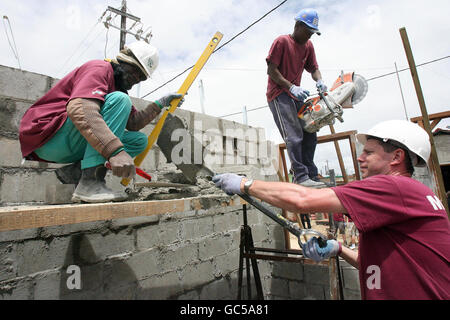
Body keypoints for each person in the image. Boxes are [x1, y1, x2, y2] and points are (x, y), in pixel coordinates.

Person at [212, 120, 450, 299]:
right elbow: (375, 265)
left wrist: (246, 184)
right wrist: (338, 249)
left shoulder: (394, 187)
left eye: (369, 152)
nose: (360, 158)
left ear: (397, 156)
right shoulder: (411, 194)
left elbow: (303, 199)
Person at [19, 41, 183, 203]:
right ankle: (91, 182)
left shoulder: (117, 87)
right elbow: (80, 110)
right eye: (135, 72)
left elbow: (133, 123)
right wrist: (115, 151)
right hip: (48, 135)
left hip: (69, 141)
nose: (136, 80)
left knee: (139, 141)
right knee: (121, 100)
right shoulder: (99, 68)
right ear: (124, 60)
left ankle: (76, 173)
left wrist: (160, 103)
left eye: (141, 78)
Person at [266, 8, 327, 188]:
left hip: (295, 94)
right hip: (279, 94)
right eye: (308, 31)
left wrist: (320, 80)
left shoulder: (308, 46)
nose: (310, 36)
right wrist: (291, 86)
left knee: (310, 131)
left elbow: (313, 68)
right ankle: (300, 176)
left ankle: (310, 174)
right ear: (297, 25)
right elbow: (271, 70)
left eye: (312, 33)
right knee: (293, 134)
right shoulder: (282, 42)